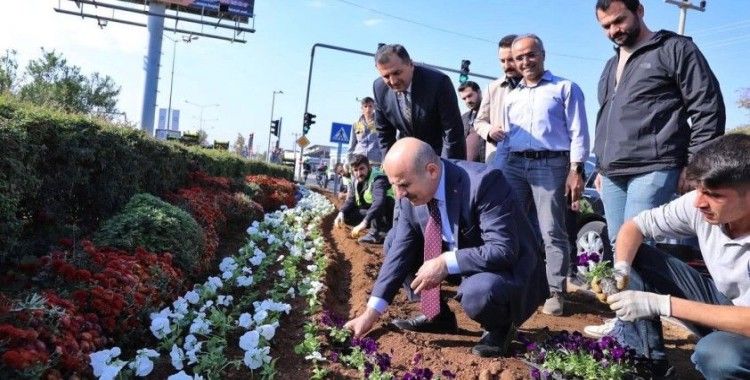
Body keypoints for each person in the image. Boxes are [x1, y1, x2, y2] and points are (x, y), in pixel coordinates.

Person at [344, 137, 548, 358]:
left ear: (431, 171)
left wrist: (445, 262)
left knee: (477, 293)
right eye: (395, 185)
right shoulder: (408, 197)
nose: (399, 193)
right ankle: (437, 316)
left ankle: (500, 327)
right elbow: (398, 254)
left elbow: (503, 250)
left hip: (505, 271)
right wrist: (370, 314)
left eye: (403, 184)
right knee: (393, 241)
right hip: (464, 260)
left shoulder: (484, 183)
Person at [588, 134, 750, 379]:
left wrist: (661, 304)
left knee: (717, 356)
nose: (699, 203)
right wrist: (621, 270)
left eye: (714, 195)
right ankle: (648, 364)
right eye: (698, 190)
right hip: (726, 305)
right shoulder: (698, 204)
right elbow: (635, 227)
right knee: (636, 256)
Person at [592, 0, 725, 249]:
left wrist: (695, 164)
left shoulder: (675, 49)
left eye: (619, 20)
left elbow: (708, 108)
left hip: (654, 167)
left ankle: (641, 290)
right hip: (612, 173)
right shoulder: (611, 65)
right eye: (606, 26)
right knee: (617, 245)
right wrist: (600, 166)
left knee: (637, 245)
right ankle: (627, 290)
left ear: (639, 11)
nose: (613, 31)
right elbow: (608, 119)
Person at [501, 34, 590, 316]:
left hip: (550, 165)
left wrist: (576, 169)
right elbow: (508, 136)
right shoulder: (512, 96)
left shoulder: (564, 88)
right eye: (519, 57)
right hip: (515, 164)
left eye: (530, 55)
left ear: (542, 54)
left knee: (552, 229)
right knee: (510, 225)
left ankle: (555, 292)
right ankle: (518, 283)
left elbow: (579, 132)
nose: (525, 61)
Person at [373, 44, 466, 160]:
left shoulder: (438, 83)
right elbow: (384, 134)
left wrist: (450, 170)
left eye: (397, 73)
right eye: (386, 76)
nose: (393, 81)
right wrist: (390, 168)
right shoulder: (379, 88)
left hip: (438, 155)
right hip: (408, 158)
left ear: (411, 65)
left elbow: (452, 132)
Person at [474, 34, 522, 167]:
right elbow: (479, 122)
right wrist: (490, 131)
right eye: (502, 61)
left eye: (511, 60)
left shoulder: (538, 87)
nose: (506, 65)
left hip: (531, 160)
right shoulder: (493, 88)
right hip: (499, 158)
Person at [334, 154, 395, 244]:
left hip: (387, 214)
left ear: (369, 167)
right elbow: (351, 199)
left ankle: (376, 233)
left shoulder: (378, 179)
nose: (359, 173)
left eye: (362, 169)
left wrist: (364, 222)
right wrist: (341, 212)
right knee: (347, 216)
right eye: (355, 170)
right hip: (373, 212)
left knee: (377, 205)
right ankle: (377, 227)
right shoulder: (356, 180)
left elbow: (379, 202)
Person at [348, 97, 383, 166]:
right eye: (365, 106)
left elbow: (384, 142)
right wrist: (349, 162)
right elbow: (352, 144)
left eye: (370, 106)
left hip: (375, 162)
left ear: (374, 107)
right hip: (358, 161)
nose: (368, 109)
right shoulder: (356, 124)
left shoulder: (380, 123)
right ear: (362, 108)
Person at [457, 81, 485, 163]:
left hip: (486, 165)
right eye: (464, 98)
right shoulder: (464, 118)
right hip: (466, 166)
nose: (467, 101)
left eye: (470, 96)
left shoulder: (492, 113)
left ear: (479, 92)